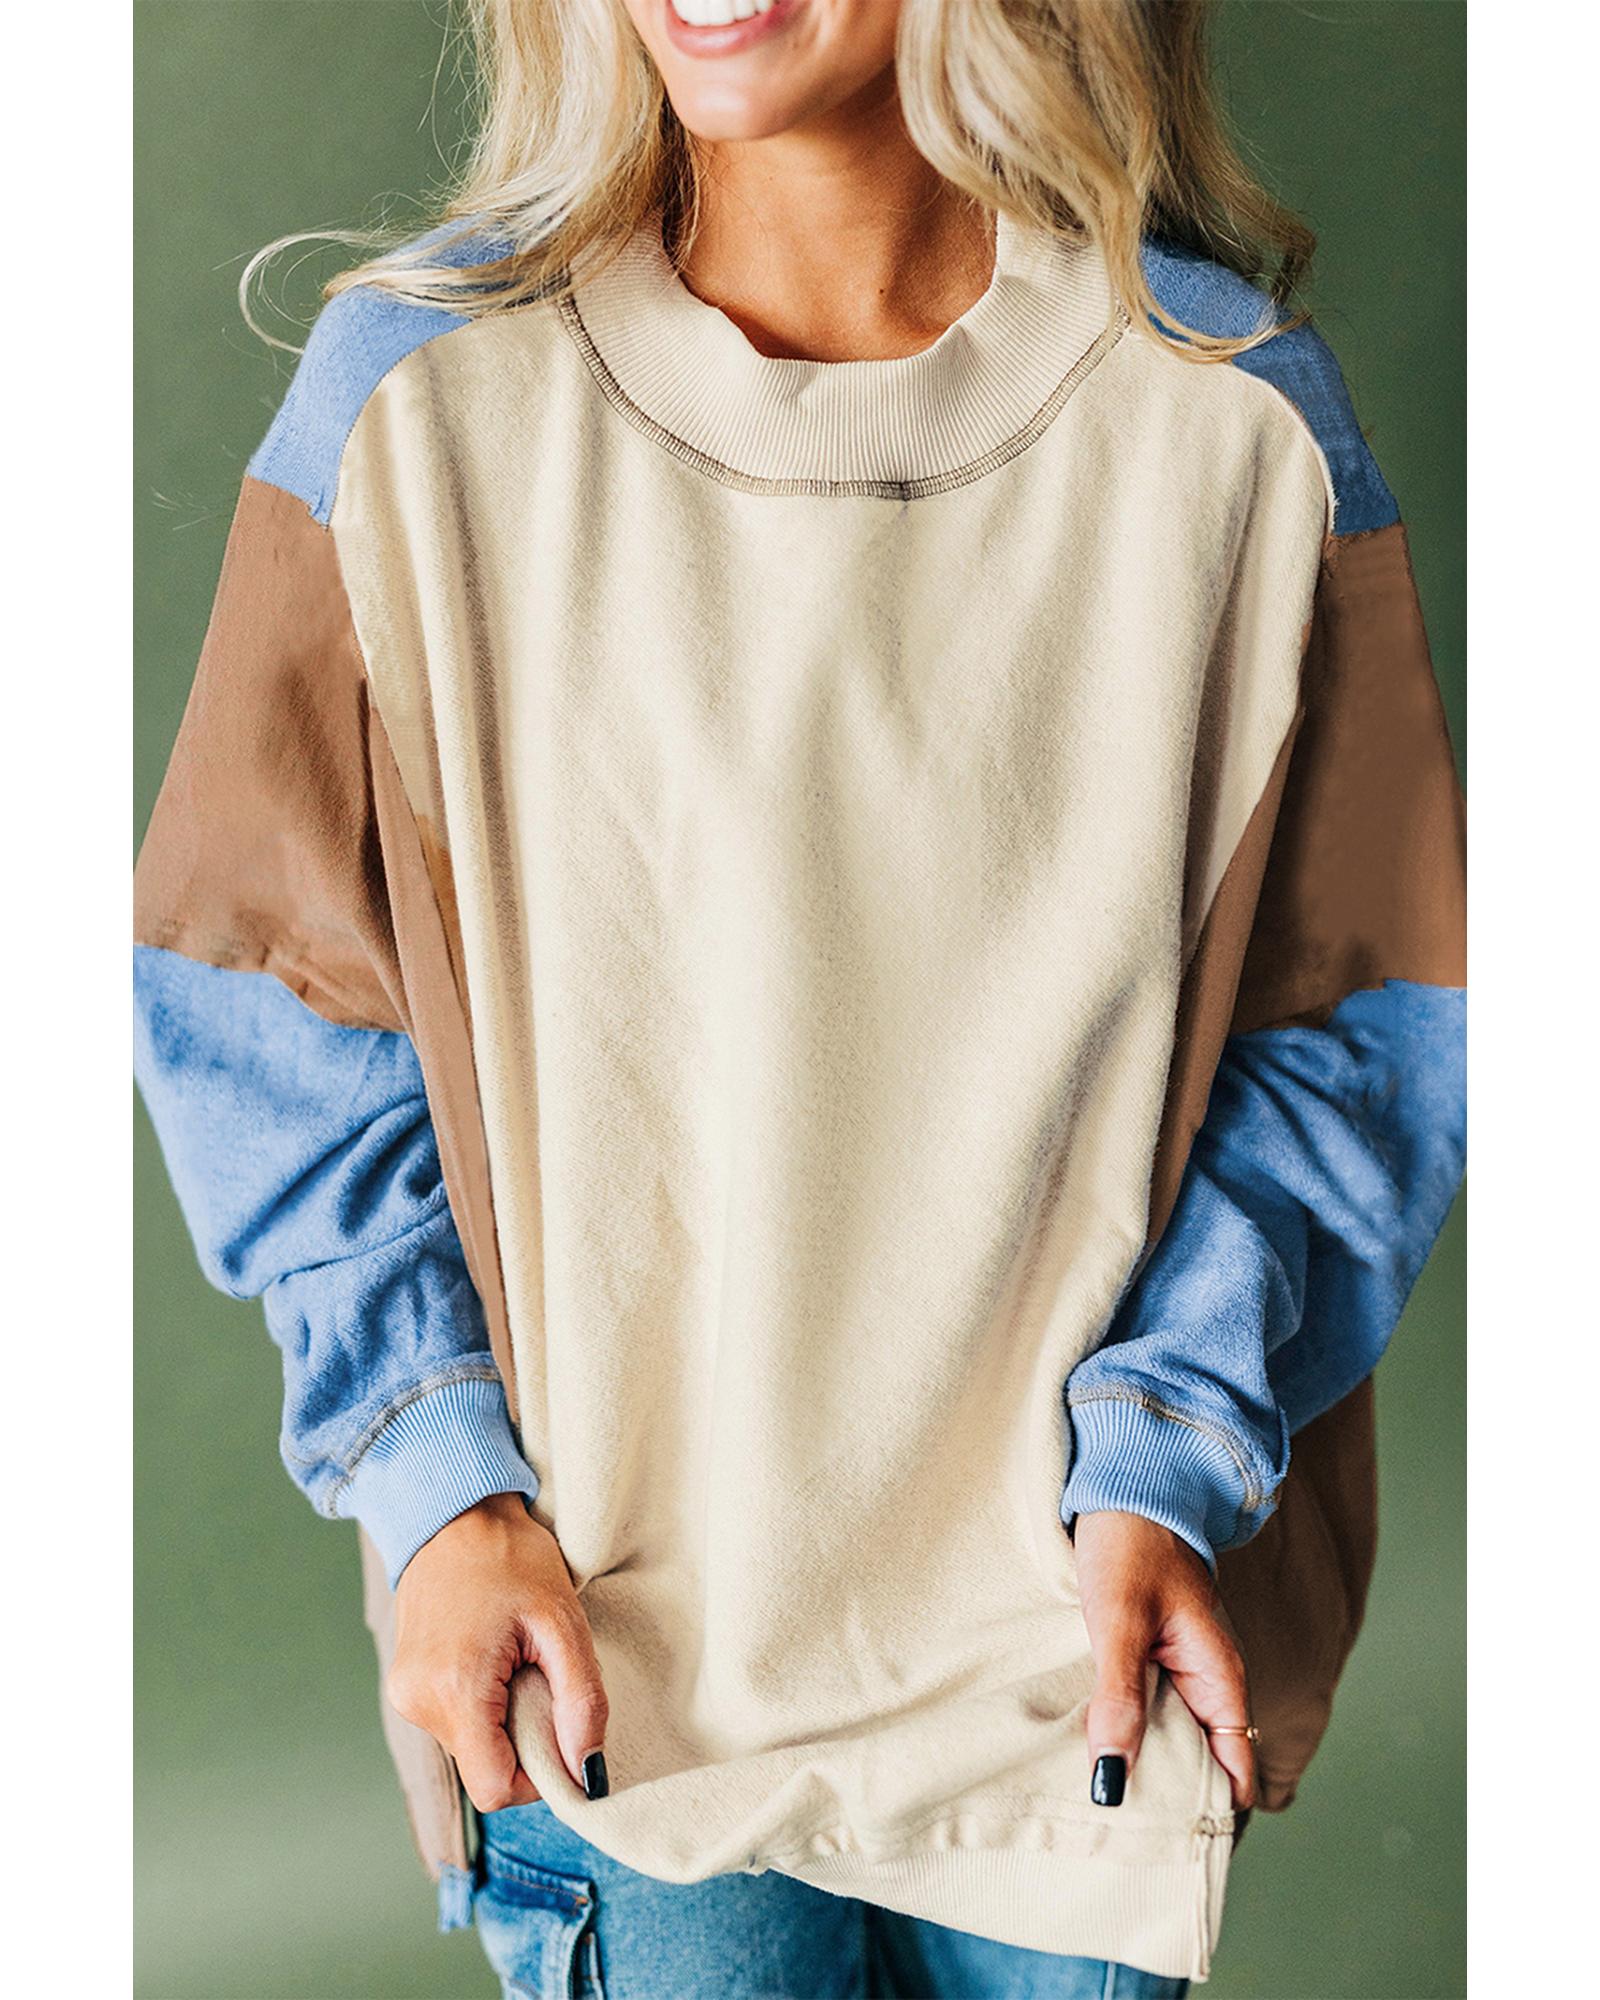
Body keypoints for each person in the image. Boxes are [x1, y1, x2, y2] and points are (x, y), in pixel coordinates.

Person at [132, 1, 1467, 1993]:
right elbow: (263, 995)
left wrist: (1174, 1438)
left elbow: (1360, 1030)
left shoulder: (1234, 422)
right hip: (617, 1683)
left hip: (1068, 1687)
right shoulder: (415, 402)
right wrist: (433, 1472)